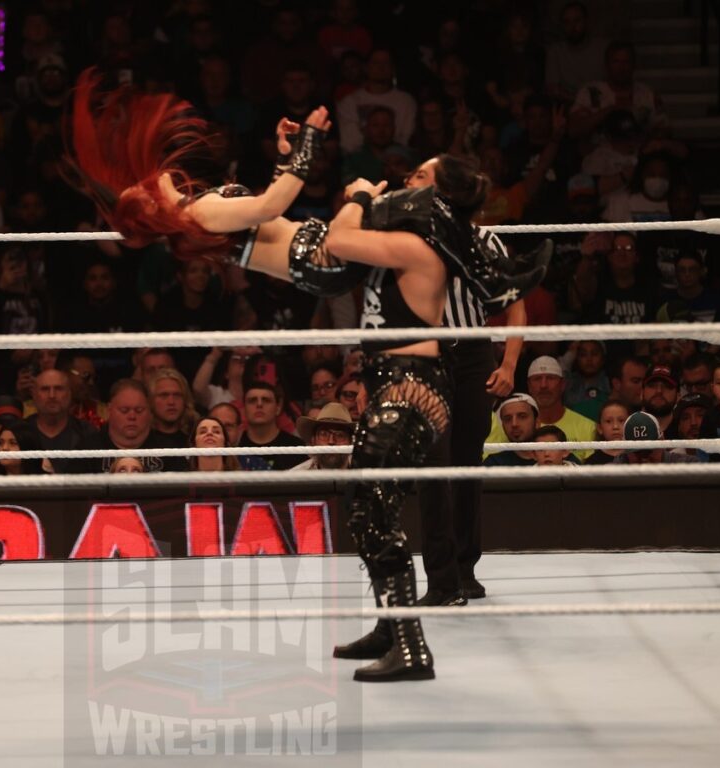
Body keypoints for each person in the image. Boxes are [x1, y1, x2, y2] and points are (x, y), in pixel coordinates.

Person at [67, 70, 548, 314]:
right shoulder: (201, 215)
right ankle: (495, 279)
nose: (143, 179)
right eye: (139, 190)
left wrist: (285, 154)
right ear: (149, 204)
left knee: (409, 215)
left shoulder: (201, 213)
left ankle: (494, 276)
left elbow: (265, 212)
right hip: (318, 257)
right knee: (411, 205)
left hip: (313, 255)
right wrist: (310, 145)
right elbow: (275, 204)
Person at [324, 156, 510, 683]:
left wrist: (359, 196)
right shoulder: (413, 233)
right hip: (397, 376)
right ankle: (391, 626)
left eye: (421, 177)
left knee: (371, 509)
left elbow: (336, 244)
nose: (408, 182)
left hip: (414, 380)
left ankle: (409, 645)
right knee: (372, 504)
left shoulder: (417, 242)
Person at [237, 381, 306, 471]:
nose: (259, 404)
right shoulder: (235, 446)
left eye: (266, 400)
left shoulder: (297, 448)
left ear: (278, 408)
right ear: (244, 409)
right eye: (252, 400)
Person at [290, 402, 354, 470]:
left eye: (340, 435)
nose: (331, 441)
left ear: (351, 441)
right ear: (313, 440)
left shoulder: (364, 474)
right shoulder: (295, 477)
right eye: (324, 434)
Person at [484, 394, 539, 467]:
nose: (514, 424)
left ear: (537, 422)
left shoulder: (553, 458)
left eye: (522, 417)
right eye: (508, 419)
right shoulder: (494, 464)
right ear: (503, 426)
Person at [585, 399, 631, 465]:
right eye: (608, 421)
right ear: (600, 428)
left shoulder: (637, 458)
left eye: (621, 421)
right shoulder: (591, 463)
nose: (615, 426)